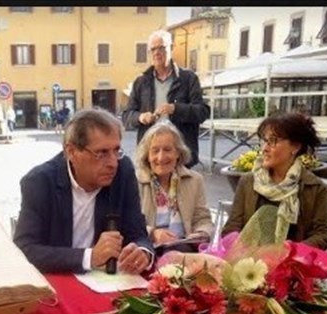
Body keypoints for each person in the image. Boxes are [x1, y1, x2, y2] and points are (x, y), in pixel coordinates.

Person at [14, 108, 154, 274]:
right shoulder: (40, 182)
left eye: (116, 151)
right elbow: (25, 249)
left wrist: (142, 252)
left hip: (108, 281)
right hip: (58, 281)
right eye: (102, 153)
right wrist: (89, 257)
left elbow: (137, 232)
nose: (113, 163)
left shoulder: (123, 172)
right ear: (72, 152)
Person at [222, 112, 327, 250]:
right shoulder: (248, 181)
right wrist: (242, 250)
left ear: (295, 146)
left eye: (273, 141)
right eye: (264, 140)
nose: (264, 148)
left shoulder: (314, 186)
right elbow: (232, 227)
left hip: (292, 264)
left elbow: (323, 233)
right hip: (251, 262)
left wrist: (291, 251)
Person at [122, 29, 210, 169]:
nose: (157, 52)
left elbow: (202, 112)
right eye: (153, 49)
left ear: (171, 48)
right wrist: (141, 117)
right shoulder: (141, 82)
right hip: (151, 156)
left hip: (180, 155)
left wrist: (176, 109)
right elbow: (126, 116)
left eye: (161, 47)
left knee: (181, 191)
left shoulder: (188, 78)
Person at [135, 122, 214, 251]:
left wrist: (202, 233)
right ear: (147, 156)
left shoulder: (195, 180)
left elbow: (203, 219)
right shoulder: (134, 182)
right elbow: (129, 223)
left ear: (178, 152)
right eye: (155, 151)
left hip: (185, 247)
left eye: (167, 150)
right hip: (149, 249)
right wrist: (153, 233)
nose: (161, 157)